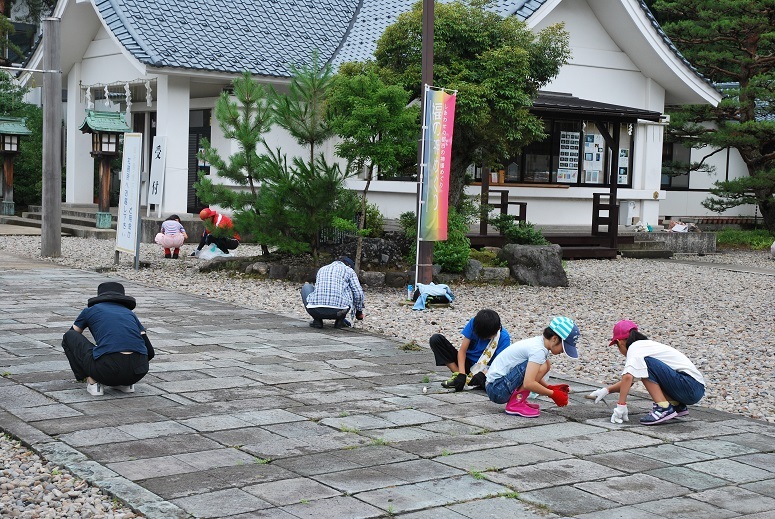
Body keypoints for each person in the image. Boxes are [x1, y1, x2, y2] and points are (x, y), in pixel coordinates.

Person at [587, 320, 705, 426]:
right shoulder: (645, 346)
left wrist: (621, 406)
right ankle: (675, 405)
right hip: (694, 388)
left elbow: (627, 377)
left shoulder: (635, 348)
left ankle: (663, 408)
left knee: (646, 364)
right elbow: (630, 380)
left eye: (617, 346)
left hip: (689, 386)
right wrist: (606, 391)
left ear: (620, 342)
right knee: (643, 367)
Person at [61, 282, 154, 396]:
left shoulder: (90, 311)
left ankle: (92, 380)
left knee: (68, 336)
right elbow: (150, 352)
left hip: (106, 370)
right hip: (138, 373)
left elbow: (72, 336)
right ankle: (125, 384)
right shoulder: (130, 314)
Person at [484, 316, 580, 417]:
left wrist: (549, 387)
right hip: (497, 389)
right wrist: (552, 394)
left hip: (497, 386)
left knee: (546, 364)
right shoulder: (538, 350)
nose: (563, 352)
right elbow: (529, 383)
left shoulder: (539, 343)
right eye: (564, 347)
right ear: (555, 339)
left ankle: (519, 400)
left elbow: (533, 375)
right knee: (542, 366)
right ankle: (516, 403)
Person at [429, 309, 510, 391]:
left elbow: (499, 365)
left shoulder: (504, 338)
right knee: (436, 339)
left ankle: (471, 381)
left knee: (497, 384)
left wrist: (483, 374)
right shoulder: (474, 324)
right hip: (467, 364)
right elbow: (462, 351)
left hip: (485, 371)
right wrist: (461, 374)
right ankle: (459, 377)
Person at [301, 256, 365, 329]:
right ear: (349, 265)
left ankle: (317, 320)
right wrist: (359, 311)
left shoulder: (322, 269)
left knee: (306, 287)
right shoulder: (349, 270)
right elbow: (358, 293)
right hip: (339, 312)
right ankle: (339, 321)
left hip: (315, 311)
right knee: (350, 288)